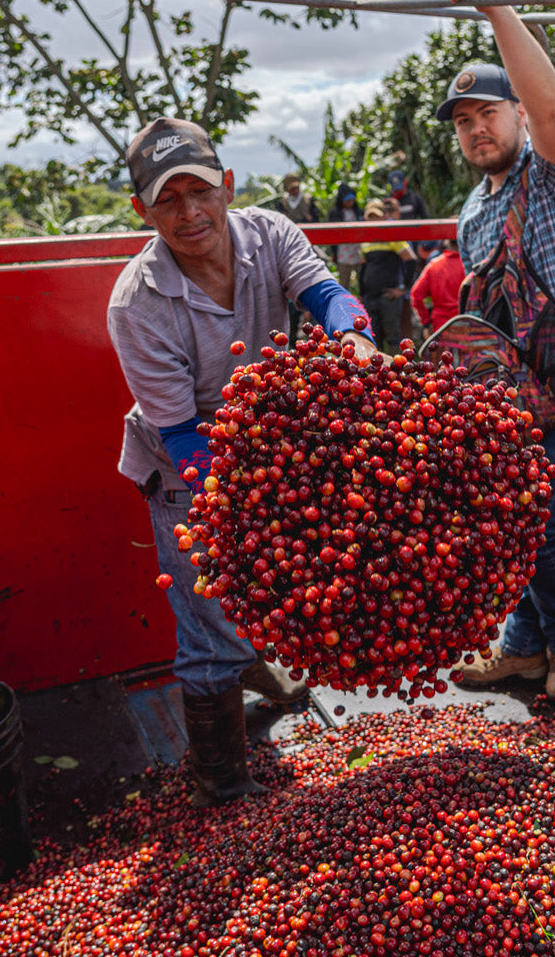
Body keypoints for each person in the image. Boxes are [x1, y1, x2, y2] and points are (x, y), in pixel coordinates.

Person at [105, 117, 379, 806]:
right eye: (168, 200)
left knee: (254, 589)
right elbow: (186, 440)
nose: (189, 213)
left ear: (228, 187)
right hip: (183, 471)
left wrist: (353, 339)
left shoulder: (271, 233)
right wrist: (279, 499)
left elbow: (326, 295)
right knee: (207, 616)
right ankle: (219, 778)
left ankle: (251, 664)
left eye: (201, 191)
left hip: (263, 446)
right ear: (141, 210)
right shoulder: (136, 303)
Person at [433, 0, 555, 704]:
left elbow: (554, 108)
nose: (478, 129)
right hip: (513, 393)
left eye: (490, 113)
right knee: (499, 517)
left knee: (527, 518)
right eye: (463, 121)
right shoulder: (473, 212)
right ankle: (522, 646)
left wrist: (491, 1)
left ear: (517, 115)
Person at [358, 198, 416, 352]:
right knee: (371, 338)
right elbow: (363, 268)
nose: (373, 220)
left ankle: (397, 372)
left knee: (393, 338)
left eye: (376, 216)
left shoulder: (393, 235)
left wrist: (402, 289)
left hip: (388, 296)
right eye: (370, 216)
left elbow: (410, 260)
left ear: (384, 216)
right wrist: (361, 294)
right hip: (370, 297)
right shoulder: (365, 239)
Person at [409, 238, 465, 334]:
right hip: (467, 325)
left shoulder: (434, 265)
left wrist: (426, 323)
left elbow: (416, 295)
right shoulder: (470, 265)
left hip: (441, 328)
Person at [327, 183, 364, 290]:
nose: (350, 203)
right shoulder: (335, 213)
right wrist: (334, 252)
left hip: (358, 251)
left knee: (362, 280)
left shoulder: (358, 211)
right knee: (344, 282)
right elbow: (332, 234)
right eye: (347, 201)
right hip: (343, 253)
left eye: (352, 200)